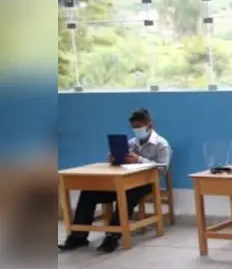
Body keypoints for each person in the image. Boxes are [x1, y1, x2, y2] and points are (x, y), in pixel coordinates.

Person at [59, 108, 172, 253]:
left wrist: (139, 160)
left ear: (150, 124)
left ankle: (112, 236)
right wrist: (114, 159)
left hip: (146, 183)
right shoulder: (131, 143)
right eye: (134, 128)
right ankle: (78, 236)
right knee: (88, 193)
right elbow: (120, 165)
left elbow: (163, 168)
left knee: (126, 195)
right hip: (123, 181)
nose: (137, 130)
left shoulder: (161, 144)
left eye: (139, 127)